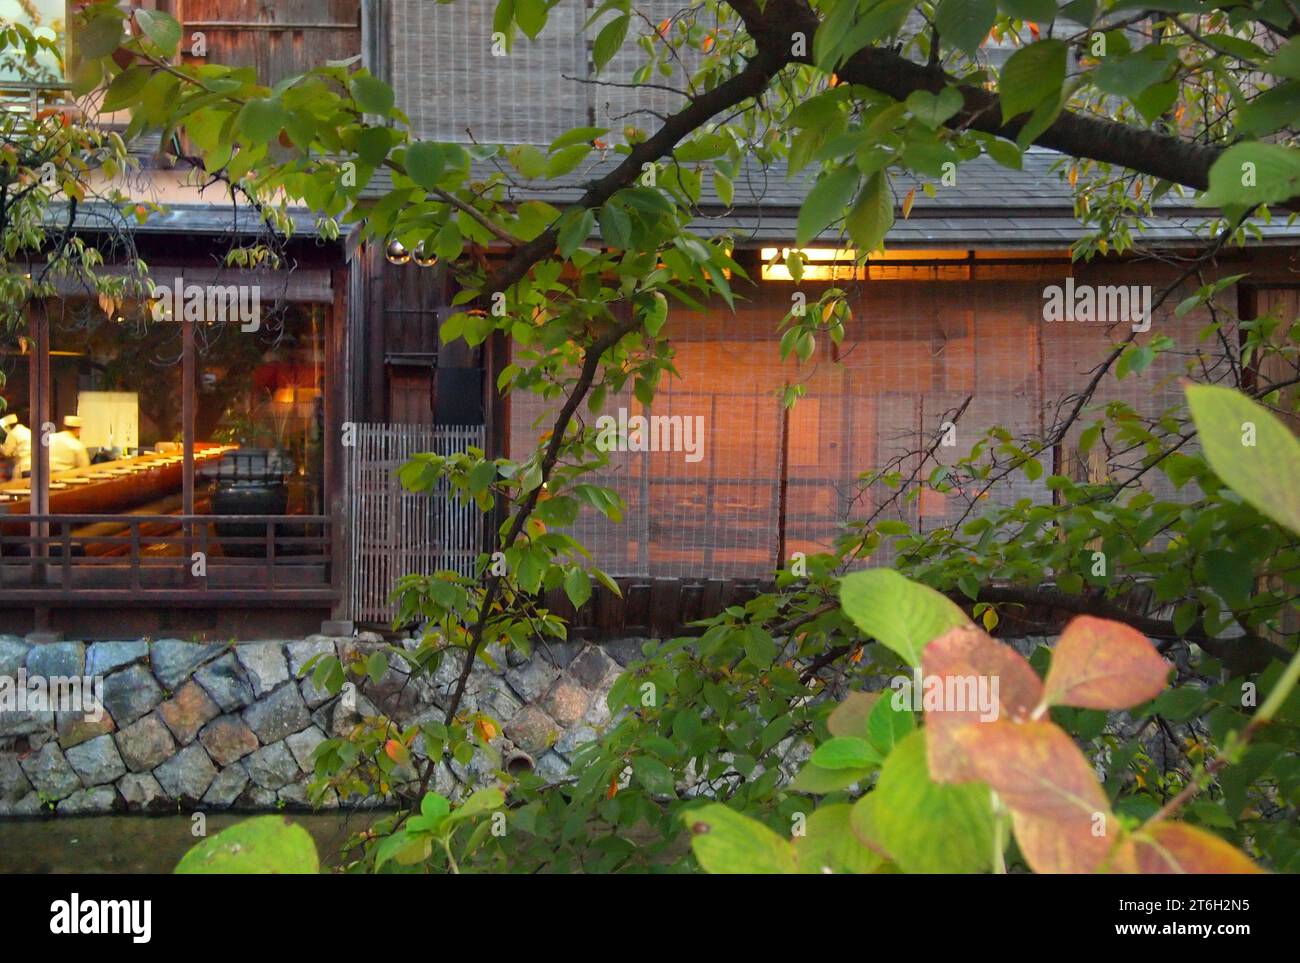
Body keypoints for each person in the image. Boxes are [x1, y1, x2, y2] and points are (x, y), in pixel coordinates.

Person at [0, 413, 32, 478]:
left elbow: (6, 452)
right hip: (35, 466)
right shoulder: (27, 431)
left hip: (24, 467)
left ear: (7, 427)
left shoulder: (13, 433)